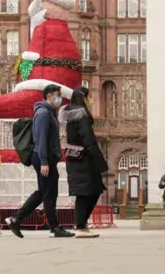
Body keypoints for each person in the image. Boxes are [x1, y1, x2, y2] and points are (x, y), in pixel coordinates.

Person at [5, 84, 74, 238]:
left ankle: (16, 218)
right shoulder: (43, 113)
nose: (59, 98)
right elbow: (40, 139)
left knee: (44, 192)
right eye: (57, 94)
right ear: (49, 96)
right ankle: (54, 228)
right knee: (49, 192)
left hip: (46, 156)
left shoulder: (48, 112)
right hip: (44, 157)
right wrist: (44, 161)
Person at [58, 86, 108, 238]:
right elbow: (89, 139)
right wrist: (100, 162)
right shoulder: (82, 115)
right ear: (84, 98)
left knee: (89, 191)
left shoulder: (68, 116)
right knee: (87, 192)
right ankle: (80, 225)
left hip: (73, 158)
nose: (91, 100)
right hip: (84, 159)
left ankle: (82, 224)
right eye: (89, 97)